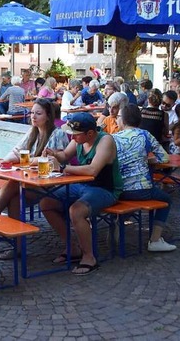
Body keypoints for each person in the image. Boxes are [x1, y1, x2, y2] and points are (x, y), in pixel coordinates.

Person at [0, 99, 69, 258]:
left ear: (48, 116)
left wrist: (26, 160)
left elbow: (54, 161)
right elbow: (17, 151)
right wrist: (5, 160)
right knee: (15, 198)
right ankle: (17, 247)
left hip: (53, 184)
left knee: (12, 184)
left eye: (38, 113)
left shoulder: (58, 134)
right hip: (35, 182)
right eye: (32, 113)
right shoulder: (33, 132)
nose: (33, 117)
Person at [41, 113, 122, 275]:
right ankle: (72, 247)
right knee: (46, 203)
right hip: (82, 186)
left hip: (105, 190)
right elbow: (65, 155)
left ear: (90, 133)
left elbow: (93, 170)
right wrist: (54, 153)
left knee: (76, 211)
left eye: (75, 134)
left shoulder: (105, 140)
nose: (72, 136)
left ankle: (89, 257)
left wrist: (63, 168)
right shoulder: (79, 138)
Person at [113, 104, 176, 251]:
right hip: (142, 189)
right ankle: (155, 240)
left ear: (123, 120)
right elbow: (164, 158)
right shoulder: (145, 135)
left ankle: (120, 221)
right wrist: (145, 160)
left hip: (118, 188)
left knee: (131, 200)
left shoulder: (112, 138)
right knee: (166, 200)